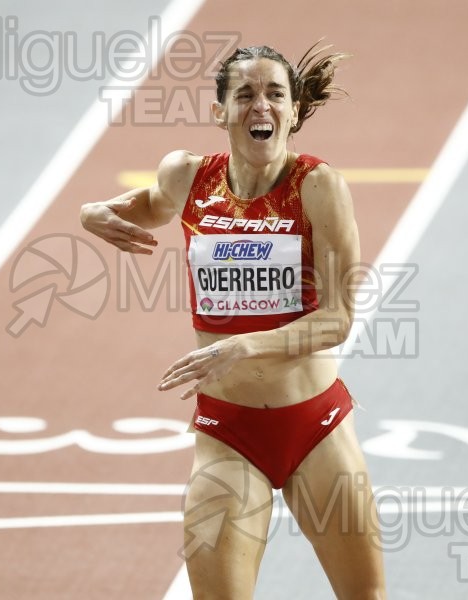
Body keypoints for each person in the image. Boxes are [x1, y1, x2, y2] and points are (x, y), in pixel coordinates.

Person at [81, 43, 386, 599]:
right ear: (220, 111)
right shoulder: (187, 176)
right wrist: (92, 212)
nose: (260, 105)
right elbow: (146, 204)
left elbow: (338, 319)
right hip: (228, 432)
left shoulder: (318, 186)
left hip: (315, 426)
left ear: (294, 111)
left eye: (274, 94)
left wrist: (246, 346)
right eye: (244, 94)